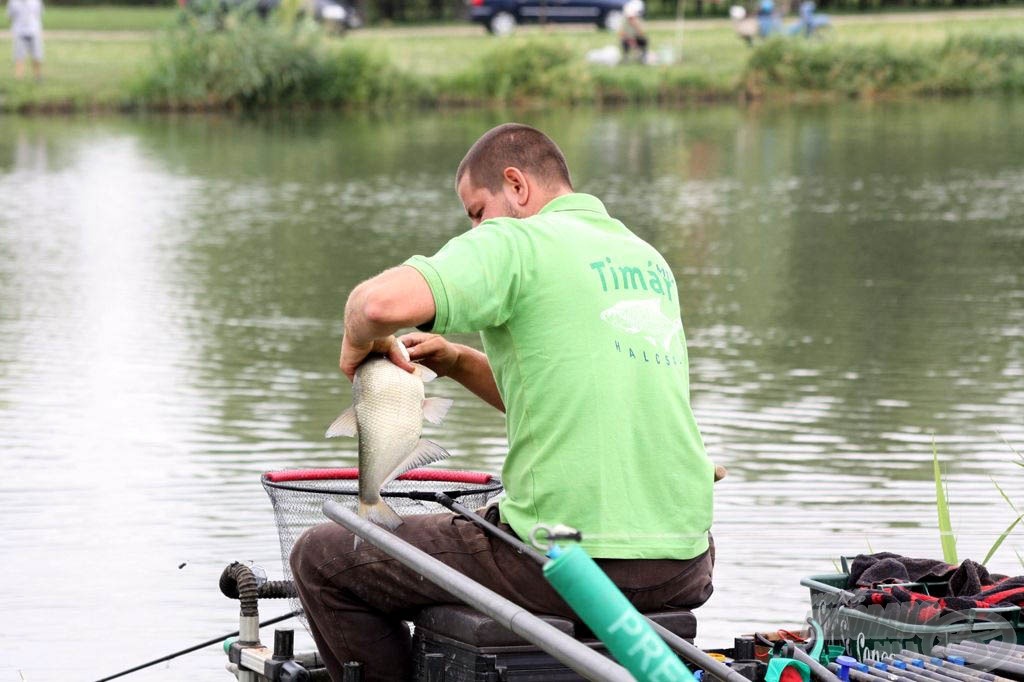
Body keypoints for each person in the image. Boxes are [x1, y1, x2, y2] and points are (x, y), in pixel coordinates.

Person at [290, 123, 715, 682]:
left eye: (475, 212)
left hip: (569, 563)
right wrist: (461, 361)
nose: (474, 228)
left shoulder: (517, 242)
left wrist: (356, 340)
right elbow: (567, 398)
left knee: (322, 559)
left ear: (516, 186)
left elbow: (376, 306)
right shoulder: (644, 259)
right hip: (684, 561)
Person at [6, 0, 43, 81]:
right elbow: (9, 16)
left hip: (34, 31)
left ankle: (38, 76)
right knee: (19, 56)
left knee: (37, 55)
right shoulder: (13, 2)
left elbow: (39, 14)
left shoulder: (36, 2)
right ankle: (19, 78)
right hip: (19, 32)